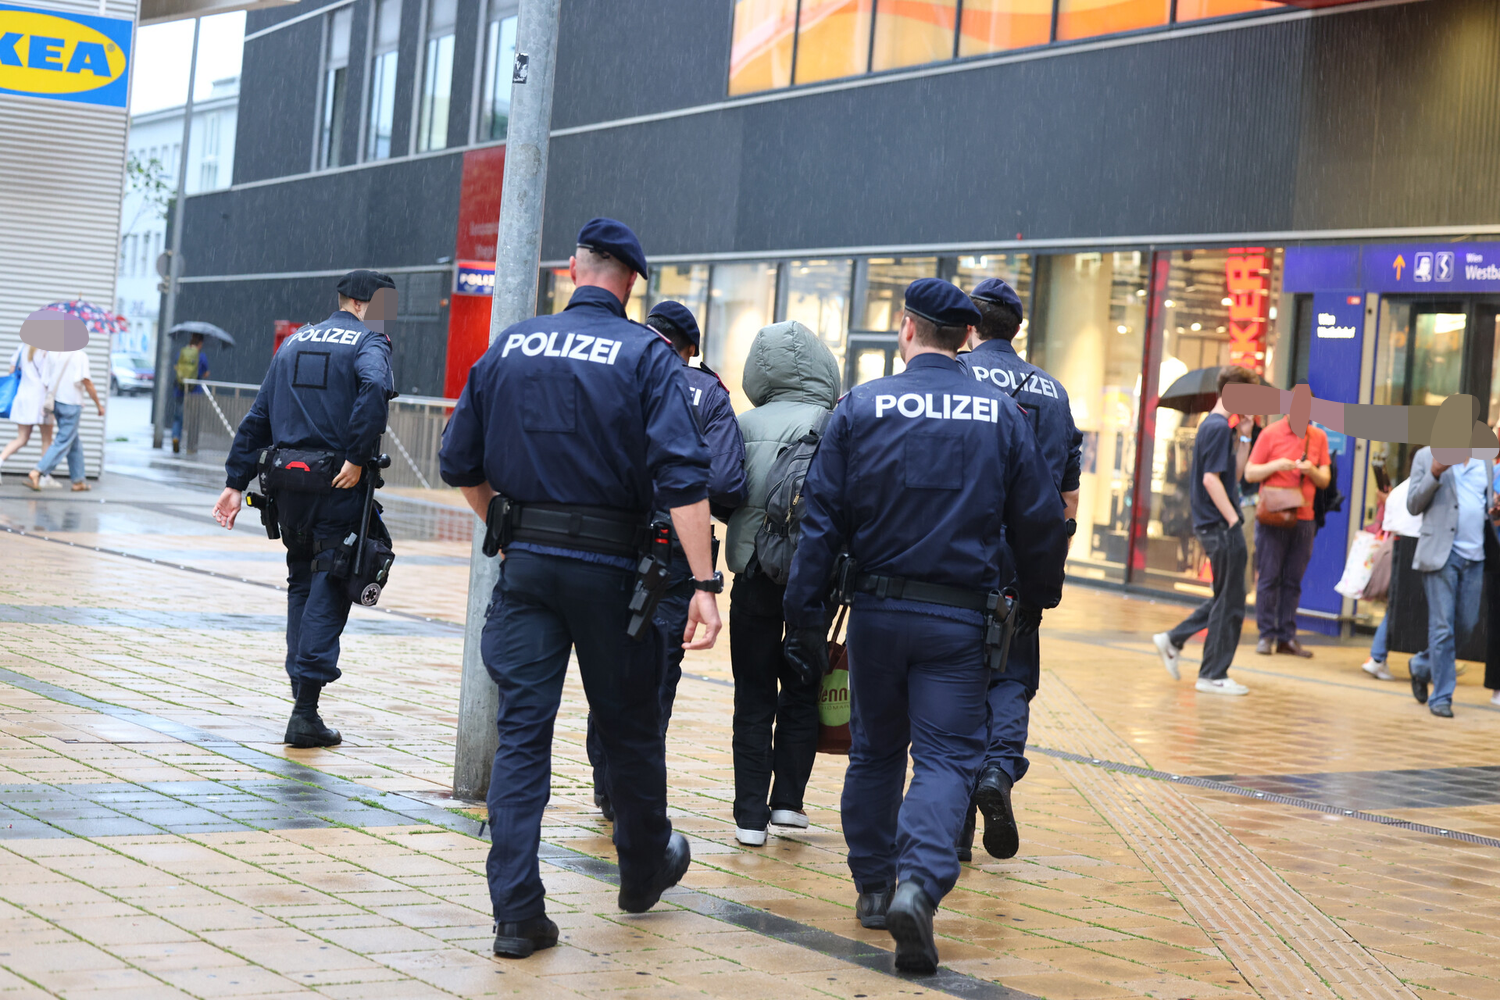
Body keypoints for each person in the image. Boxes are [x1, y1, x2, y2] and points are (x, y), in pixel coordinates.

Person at [438, 219, 721, 960]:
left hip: (526, 566)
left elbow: (458, 463)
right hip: (611, 574)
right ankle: (641, 870)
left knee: (524, 735)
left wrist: (505, 523)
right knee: (628, 729)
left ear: (573, 269)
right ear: (633, 282)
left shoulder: (511, 345)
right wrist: (704, 583)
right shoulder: (646, 356)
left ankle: (517, 914)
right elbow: (685, 480)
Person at [784, 278, 1068, 973]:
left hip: (878, 613)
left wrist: (802, 615)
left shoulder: (862, 406)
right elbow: (1038, 519)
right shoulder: (999, 414)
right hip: (959, 619)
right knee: (945, 758)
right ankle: (920, 884)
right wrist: (1037, 598)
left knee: (876, 752)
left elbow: (820, 520)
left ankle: (875, 886)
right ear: (965, 338)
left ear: (906, 329)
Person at [212, 269, 397, 746]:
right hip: (337, 482)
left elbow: (260, 415)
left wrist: (236, 482)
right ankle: (305, 711)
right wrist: (357, 455)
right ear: (366, 302)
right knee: (333, 580)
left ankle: (301, 695)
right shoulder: (368, 343)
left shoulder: (294, 342)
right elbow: (375, 390)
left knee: (301, 579)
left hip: (286, 487)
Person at [586, 299, 746, 821]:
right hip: (676, 552)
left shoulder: (615, 370)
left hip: (611, 540)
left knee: (609, 658)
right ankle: (634, 783)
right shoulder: (709, 394)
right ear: (691, 349)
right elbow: (725, 482)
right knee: (658, 667)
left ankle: (606, 782)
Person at [956, 277, 1082, 863]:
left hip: (959, 548)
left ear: (971, 326)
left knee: (952, 679)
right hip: (1024, 551)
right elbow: (1068, 494)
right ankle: (998, 773)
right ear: (1017, 329)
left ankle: (951, 825)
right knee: (1011, 673)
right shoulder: (1053, 394)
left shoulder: (955, 377)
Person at [724, 319, 839, 846]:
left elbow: (723, 491)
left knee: (752, 696)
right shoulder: (834, 421)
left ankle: (749, 814)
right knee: (802, 687)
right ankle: (788, 803)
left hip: (752, 574)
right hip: (812, 579)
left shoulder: (743, 424)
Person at [1152, 367, 1259, 695]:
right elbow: (1210, 480)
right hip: (1219, 525)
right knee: (1230, 603)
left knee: (1227, 597)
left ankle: (1174, 639)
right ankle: (1212, 674)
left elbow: (1234, 477)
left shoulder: (1221, 429)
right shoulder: (1213, 428)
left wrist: (1244, 436)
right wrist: (1233, 520)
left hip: (1218, 523)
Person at [1405, 444, 1493, 718]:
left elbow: (1486, 504)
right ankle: (1441, 697)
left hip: (1475, 556)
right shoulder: (1426, 456)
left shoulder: (1485, 460)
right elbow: (1413, 505)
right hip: (1442, 554)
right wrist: (1434, 473)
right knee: (1442, 628)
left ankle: (1421, 665)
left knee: (1465, 626)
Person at [1244, 414, 1331, 657]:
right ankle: (1266, 635)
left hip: (1304, 518)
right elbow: (1250, 473)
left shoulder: (1318, 436)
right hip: (1273, 515)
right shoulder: (1271, 433)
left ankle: (1286, 637)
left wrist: (1311, 470)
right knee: (1269, 577)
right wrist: (1277, 465)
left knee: (1293, 581)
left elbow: (1325, 479)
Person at [27, 348, 103, 492]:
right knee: (63, 441)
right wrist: (98, 404)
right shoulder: (80, 355)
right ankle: (38, 471)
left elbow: (46, 380)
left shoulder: (52, 353)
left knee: (73, 441)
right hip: (72, 404)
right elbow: (86, 381)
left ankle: (78, 481)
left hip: (56, 402)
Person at [0, 345, 54, 478]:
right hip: (41, 399)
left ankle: (0, 460)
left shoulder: (22, 348)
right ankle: (43, 476)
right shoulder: (46, 351)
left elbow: (12, 370)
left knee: (22, 438)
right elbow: (47, 380)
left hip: (23, 396)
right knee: (46, 439)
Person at [171, 332, 210, 453]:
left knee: (178, 417)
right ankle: (191, 446)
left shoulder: (181, 353)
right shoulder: (201, 356)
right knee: (193, 419)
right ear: (200, 343)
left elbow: (176, 367)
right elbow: (205, 373)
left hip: (180, 390)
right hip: (194, 392)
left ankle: (176, 437)